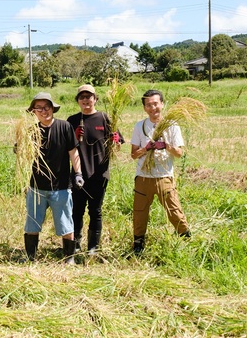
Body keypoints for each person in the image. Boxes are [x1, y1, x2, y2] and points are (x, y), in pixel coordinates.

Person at [23, 92, 83, 265]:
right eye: (39, 108)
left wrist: (77, 173)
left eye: (46, 107)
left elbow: (74, 152)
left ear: (52, 108)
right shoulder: (30, 132)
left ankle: (69, 258)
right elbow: (24, 156)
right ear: (34, 111)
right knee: (32, 223)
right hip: (36, 187)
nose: (43, 111)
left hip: (61, 186)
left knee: (66, 223)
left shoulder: (64, 127)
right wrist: (19, 149)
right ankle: (30, 257)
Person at [130, 89, 191, 254]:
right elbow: (133, 154)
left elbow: (179, 153)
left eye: (155, 104)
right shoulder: (140, 126)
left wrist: (166, 146)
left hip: (164, 176)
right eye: (148, 105)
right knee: (139, 213)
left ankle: (186, 239)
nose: (153, 108)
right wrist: (146, 148)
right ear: (144, 108)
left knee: (174, 210)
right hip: (143, 177)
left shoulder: (172, 126)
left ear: (162, 104)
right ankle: (138, 246)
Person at [67, 84, 123, 256]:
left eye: (89, 96)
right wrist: (74, 136)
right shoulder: (72, 121)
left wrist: (115, 141)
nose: (85, 100)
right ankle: (76, 244)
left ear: (95, 99)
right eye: (82, 97)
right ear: (78, 101)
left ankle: (93, 247)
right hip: (79, 174)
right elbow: (67, 148)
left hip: (100, 173)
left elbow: (118, 145)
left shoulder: (105, 119)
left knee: (95, 210)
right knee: (76, 210)